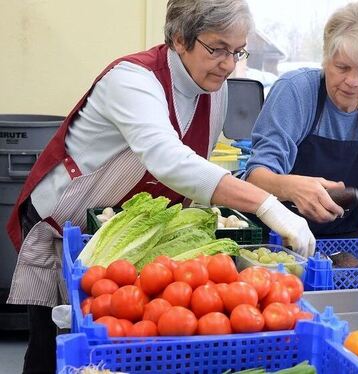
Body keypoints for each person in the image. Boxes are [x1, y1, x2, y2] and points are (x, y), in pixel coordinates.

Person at [6, 1, 314, 372]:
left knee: (116, 345)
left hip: (125, 228)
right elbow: (168, 157)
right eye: (217, 49)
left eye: (237, 51)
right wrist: (267, 204)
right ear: (179, 38)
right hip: (66, 224)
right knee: (52, 347)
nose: (229, 64)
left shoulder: (215, 89)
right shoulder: (131, 79)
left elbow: (197, 163)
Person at [244, 0, 358, 237]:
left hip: (345, 243)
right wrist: (297, 189)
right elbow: (256, 177)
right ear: (326, 58)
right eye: (342, 67)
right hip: (277, 239)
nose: (353, 81)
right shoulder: (295, 92)